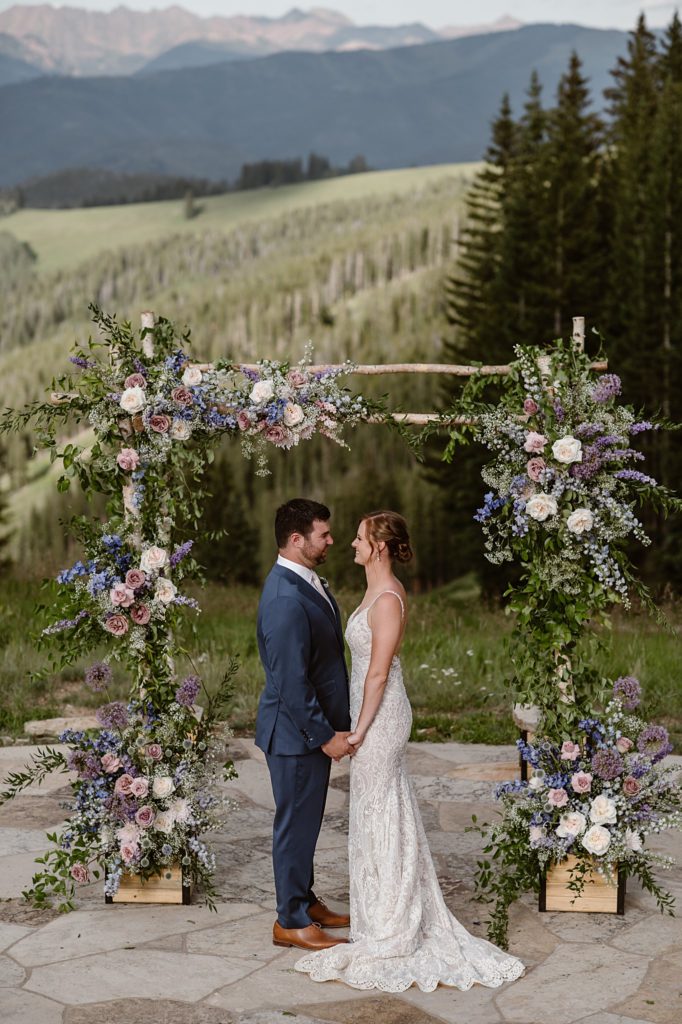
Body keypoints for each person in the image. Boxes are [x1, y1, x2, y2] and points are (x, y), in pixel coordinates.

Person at [295, 510, 524, 991]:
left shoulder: (388, 599)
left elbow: (378, 673)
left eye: (358, 538)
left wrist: (357, 731)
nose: (351, 544)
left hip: (380, 720)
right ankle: (380, 914)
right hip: (369, 714)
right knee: (377, 811)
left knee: (381, 811)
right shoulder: (374, 591)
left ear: (378, 546)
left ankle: (393, 923)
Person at [255, 498, 354, 951]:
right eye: (324, 534)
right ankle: (289, 920)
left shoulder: (304, 582)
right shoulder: (283, 598)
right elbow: (292, 682)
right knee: (295, 825)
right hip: (296, 736)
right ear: (296, 540)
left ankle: (305, 900)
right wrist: (325, 735)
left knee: (307, 823)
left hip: (306, 733)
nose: (331, 540)